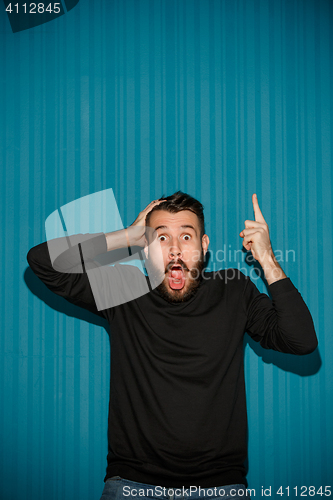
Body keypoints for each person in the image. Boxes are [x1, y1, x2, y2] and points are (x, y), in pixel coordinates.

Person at [27, 191, 318, 500]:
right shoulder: (125, 290)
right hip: (132, 484)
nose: (175, 250)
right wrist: (126, 235)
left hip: (220, 486)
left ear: (204, 247)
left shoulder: (234, 290)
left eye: (187, 237)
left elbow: (300, 340)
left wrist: (267, 258)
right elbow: (43, 262)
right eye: (161, 239)